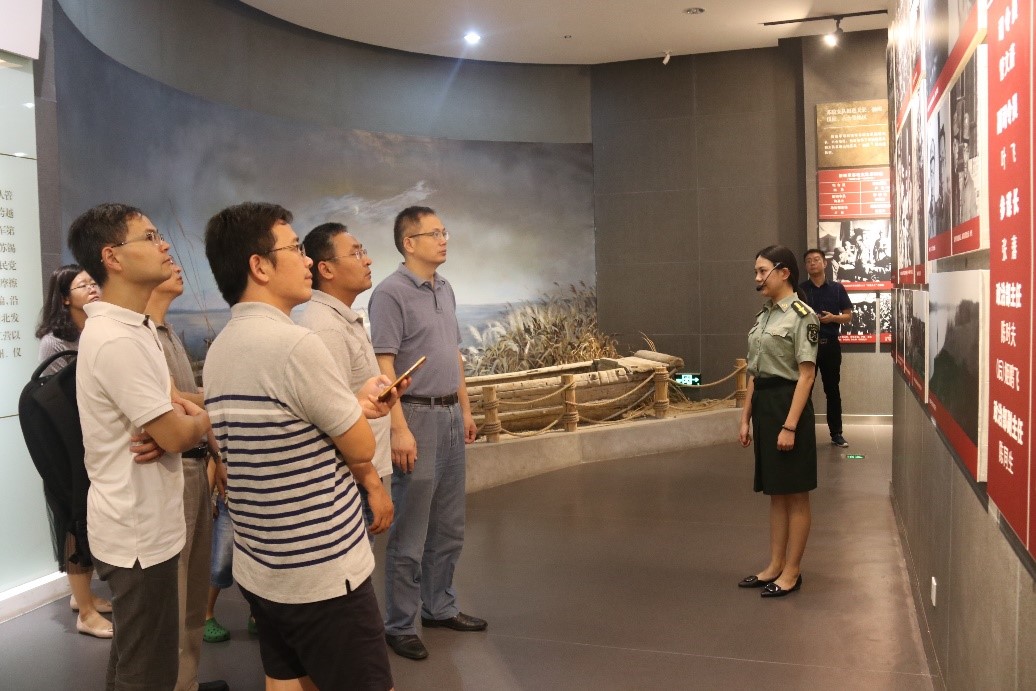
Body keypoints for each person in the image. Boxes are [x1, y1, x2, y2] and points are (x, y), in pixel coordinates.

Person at [202, 202, 401, 691]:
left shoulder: (221, 347)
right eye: (294, 248)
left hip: (263, 564)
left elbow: (285, 427)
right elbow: (359, 446)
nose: (307, 259)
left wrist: (350, 403)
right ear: (260, 266)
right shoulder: (295, 344)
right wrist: (357, 411)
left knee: (285, 679)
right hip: (323, 571)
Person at [68, 203, 212, 690]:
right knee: (148, 672)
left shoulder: (135, 327)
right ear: (112, 257)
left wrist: (181, 420)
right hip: (137, 534)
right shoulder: (116, 339)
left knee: (136, 660)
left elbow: (172, 412)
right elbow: (173, 433)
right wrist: (202, 421)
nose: (164, 245)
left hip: (145, 525)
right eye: (149, 237)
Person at [369, 206, 485, 661]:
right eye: (434, 233)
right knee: (412, 529)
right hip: (415, 416)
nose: (443, 240)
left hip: (451, 414)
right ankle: (400, 624)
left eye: (444, 232)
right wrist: (398, 428)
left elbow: (452, 354)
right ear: (409, 242)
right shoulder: (390, 293)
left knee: (450, 524)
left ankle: (440, 606)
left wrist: (466, 409)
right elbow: (384, 365)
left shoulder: (445, 288)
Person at [144, 261, 228, 691]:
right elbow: (171, 405)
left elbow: (184, 402)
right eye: (165, 261)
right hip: (171, 472)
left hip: (195, 465)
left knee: (194, 591)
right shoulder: (142, 337)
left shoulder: (168, 333)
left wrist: (216, 451)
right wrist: (215, 404)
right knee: (175, 595)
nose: (177, 267)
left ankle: (188, 681)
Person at [296, 223, 393, 540]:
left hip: (360, 473)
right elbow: (334, 417)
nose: (368, 260)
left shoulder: (340, 318)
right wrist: (372, 484)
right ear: (326, 269)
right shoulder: (326, 328)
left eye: (363, 251)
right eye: (356, 253)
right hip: (353, 479)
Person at [34, 264, 113, 638]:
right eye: (83, 285)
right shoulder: (54, 341)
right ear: (65, 298)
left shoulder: (94, 330)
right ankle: (86, 612)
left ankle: (83, 596)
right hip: (67, 443)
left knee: (87, 517)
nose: (93, 288)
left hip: (90, 438)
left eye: (94, 282)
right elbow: (62, 398)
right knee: (73, 519)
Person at [737, 245, 819, 598]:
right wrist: (745, 418)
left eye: (762, 271)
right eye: (755, 271)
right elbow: (755, 372)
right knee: (776, 492)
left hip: (789, 405)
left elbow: (806, 375)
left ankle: (792, 571)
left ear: (784, 272)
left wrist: (790, 426)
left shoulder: (802, 316)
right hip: (765, 406)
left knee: (795, 493)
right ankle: (774, 565)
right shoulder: (765, 315)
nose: (757, 278)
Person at [799, 249, 853, 448]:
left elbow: (848, 316)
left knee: (832, 390)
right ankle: (803, 433)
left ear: (825, 263)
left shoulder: (837, 288)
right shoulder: (800, 290)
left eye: (816, 260)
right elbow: (794, 315)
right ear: (806, 266)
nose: (812, 263)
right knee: (804, 390)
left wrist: (833, 318)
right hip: (807, 346)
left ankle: (836, 433)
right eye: (808, 261)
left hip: (830, 345)